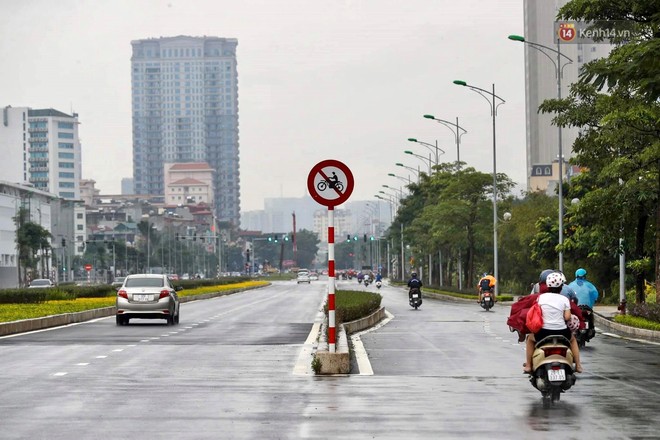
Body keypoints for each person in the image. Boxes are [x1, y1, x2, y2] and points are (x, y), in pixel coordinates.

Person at [523, 272, 583, 374]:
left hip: (543, 332)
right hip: (562, 332)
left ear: (547, 286)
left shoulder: (541, 298)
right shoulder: (564, 299)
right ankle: (578, 365)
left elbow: (537, 313)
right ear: (561, 287)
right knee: (573, 340)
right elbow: (567, 317)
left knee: (530, 339)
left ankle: (528, 365)